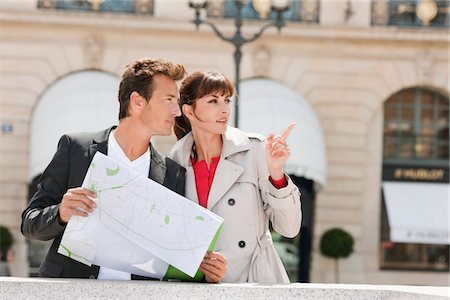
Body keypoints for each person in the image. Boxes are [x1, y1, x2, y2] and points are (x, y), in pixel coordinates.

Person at [21, 59, 226, 282]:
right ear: (137, 101)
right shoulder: (75, 149)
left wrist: (206, 271)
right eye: (168, 100)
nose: (177, 111)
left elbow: (172, 256)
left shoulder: (172, 173)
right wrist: (61, 212)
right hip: (72, 291)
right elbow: (30, 223)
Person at [169, 70, 302, 283]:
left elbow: (288, 228)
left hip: (254, 281)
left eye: (227, 100)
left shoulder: (255, 149)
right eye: (213, 101)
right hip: (201, 286)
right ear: (189, 111)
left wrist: (276, 172)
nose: (224, 110)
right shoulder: (175, 161)